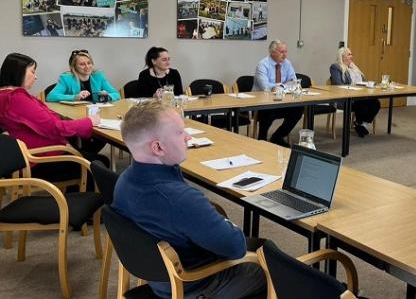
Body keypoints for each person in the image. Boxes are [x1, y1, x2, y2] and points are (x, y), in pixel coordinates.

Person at [112, 100, 266, 298]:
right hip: (195, 285)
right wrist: (223, 222)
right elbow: (236, 247)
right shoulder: (180, 200)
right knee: (279, 269)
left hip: (161, 277)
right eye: (180, 132)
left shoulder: (124, 180)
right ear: (158, 147)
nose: (188, 137)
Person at [0, 52, 107, 191]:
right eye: (32, 71)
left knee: (85, 152)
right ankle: (81, 203)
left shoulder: (5, 95)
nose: (36, 76)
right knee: (99, 163)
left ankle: (73, 195)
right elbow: (54, 127)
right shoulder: (16, 98)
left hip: (26, 155)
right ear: (19, 72)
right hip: (36, 160)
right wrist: (89, 121)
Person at [253, 40, 303, 147]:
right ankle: (262, 138)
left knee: (298, 109)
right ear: (272, 52)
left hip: (281, 100)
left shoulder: (287, 63)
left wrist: (279, 86)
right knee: (269, 109)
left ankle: (278, 137)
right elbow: (265, 87)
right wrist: (284, 85)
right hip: (261, 102)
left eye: (286, 51)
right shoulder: (263, 64)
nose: (285, 55)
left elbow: (294, 82)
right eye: (282, 52)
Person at [330, 47, 380, 137]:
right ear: (342, 56)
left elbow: (364, 81)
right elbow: (338, 84)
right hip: (345, 98)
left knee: (376, 102)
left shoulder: (354, 67)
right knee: (363, 103)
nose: (351, 56)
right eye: (349, 54)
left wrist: (369, 85)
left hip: (360, 95)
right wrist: (353, 88)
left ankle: (362, 124)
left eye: (351, 54)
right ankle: (358, 123)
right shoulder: (336, 67)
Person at [47, 50, 120, 103]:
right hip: (74, 114)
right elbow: (51, 97)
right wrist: (75, 97)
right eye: (82, 64)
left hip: (96, 112)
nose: (87, 67)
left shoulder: (98, 76)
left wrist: (107, 96)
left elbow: (117, 94)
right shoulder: (66, 78)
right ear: (74, 67)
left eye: (89, 63)